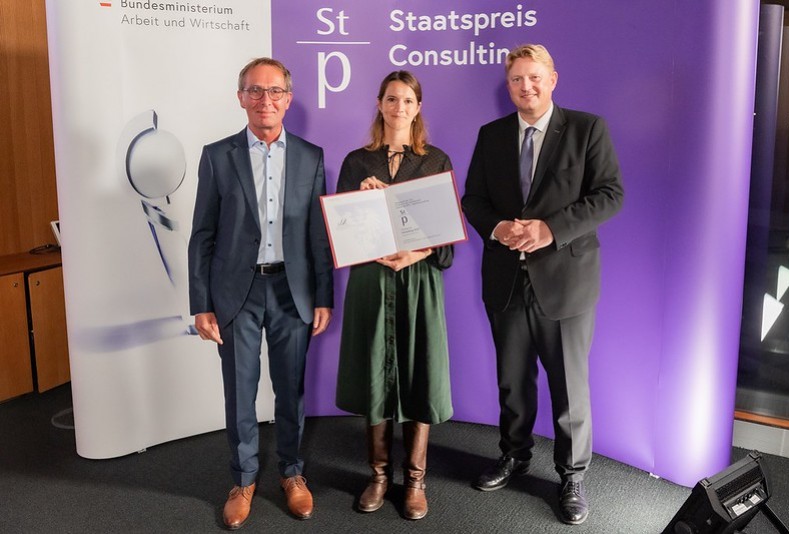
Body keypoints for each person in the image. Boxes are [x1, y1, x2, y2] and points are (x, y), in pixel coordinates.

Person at [461, 44, 624, 526]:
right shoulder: (491, 134)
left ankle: (572, 475)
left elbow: (610, 194)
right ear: (507, 85)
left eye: (534, 77)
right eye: (516, 79)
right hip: (506, 280)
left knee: (569, 387)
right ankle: (514, 455)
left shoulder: (587, 128)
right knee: (512, 381)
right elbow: (473, 199)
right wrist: (497, 228)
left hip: (566, 282)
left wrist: (551, 229)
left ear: (553, 79)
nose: (525, 87)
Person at [187, 57, 334, 529]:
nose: (264, 99)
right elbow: (202, 234)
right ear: (240, 97)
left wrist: (324, 296)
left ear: (288, 99)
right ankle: (244, 480)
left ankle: (292, 473)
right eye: (254, 90)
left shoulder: (311, 157)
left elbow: (318, 235)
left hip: (294, 291)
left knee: (291, 391)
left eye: (274, 91)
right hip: (237, 293)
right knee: (240, 391)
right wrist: (201, 304)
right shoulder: (217, 155)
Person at [334, 70, 454, 521]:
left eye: (406, 100)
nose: (398, 107)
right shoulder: (356, 162)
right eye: (390, 99)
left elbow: (446, 243)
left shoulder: (436, 161)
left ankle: (416, 480)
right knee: (375, 373)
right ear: (379, 104)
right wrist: (363, 200)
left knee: (419, 370)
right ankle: (379, 476)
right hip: (372, 280)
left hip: (418, 281)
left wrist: (416, 252)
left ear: (417, 107)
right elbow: (343, 231)